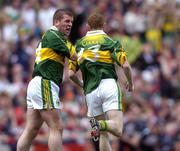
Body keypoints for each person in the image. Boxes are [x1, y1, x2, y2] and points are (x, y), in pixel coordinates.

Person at [69, 12, 134, 151]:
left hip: (90, 91)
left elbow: (70, 74)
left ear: (87, 26)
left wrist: (81, 84)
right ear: (103, 25)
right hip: (108, 85)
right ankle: (101, 125)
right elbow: (126, 66)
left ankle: (99, 125)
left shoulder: (78, 45)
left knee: (103, 136)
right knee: (117, 129)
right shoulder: (110, 42)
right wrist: (131, 83)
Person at [17, 9, 77, 151]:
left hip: (37, 83)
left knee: (31, 129)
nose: (70, 25)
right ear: (56, 22)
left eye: (72, 22)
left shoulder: (49, 36)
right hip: (45, 83)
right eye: (67, 21)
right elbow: (75, 56)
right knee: (57, 126)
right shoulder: (55, 35)